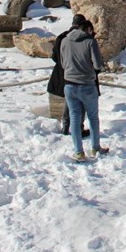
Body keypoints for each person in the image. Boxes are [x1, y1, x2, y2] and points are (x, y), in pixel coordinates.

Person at [61, 16, 109, 161]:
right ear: (88, 29)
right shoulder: (90, 41)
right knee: (93, 117)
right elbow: (97, 65)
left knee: (75, 118)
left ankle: (78, 151)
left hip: (69, 84)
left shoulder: (65, 40)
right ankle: (95, 147)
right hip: (87, 84)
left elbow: (63, 63)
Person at [48, 14, 90, 137]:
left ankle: (66, 126)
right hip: (76, 73)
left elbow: (55, 57)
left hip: (62, 72)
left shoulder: (62, 37)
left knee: (69, 100)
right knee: (79, 103)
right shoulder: (83, 39)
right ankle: (79, 128)